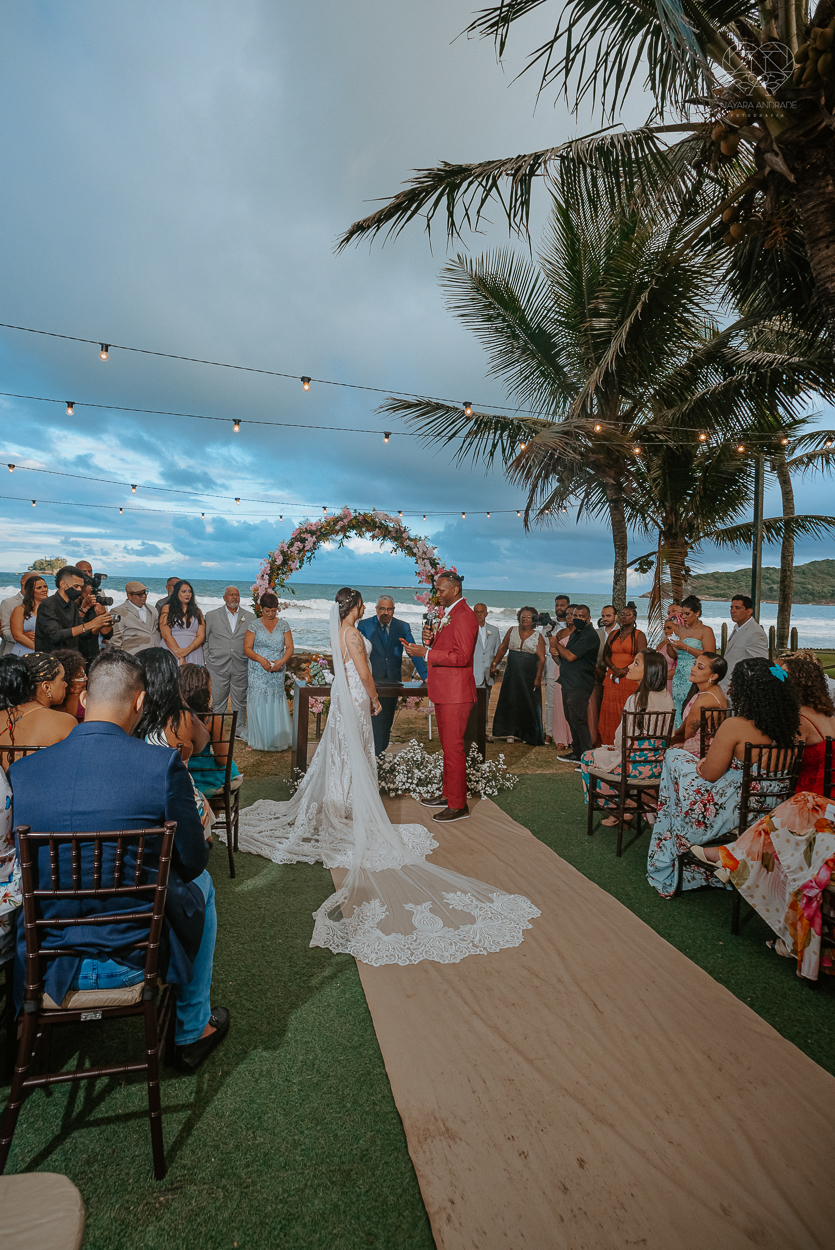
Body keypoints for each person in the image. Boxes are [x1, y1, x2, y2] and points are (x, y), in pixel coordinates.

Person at [237, 587, 539, 963]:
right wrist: (375, 697)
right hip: (358, 697)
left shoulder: (341, 632)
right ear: (357, 607)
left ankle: (340, 800)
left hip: (343, 698)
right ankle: (348, 805)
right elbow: (363, 671)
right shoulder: (354, 632)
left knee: (343, 754)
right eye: (366, 603)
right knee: (356, 754)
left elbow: (342, 666)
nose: (370, 608)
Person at [9, 648, 228, 1072]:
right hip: (134, 961)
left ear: (85, 698)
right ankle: (190, 1030)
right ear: (140, 702)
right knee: (202, 886)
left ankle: (26, 1028)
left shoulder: (25, 773)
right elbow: (195, 861)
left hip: (48, 965)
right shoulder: (160, 767)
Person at [646, 658, 800, 897]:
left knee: (673, 756)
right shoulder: (792, 729)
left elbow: (709, 774)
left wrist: (700, 763)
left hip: (731, 808)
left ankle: (669, 849)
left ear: (747, 692)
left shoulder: (735, 726)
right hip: (772, 809)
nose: (730, 689)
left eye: (735, 685)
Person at [406, 572, 480, 819]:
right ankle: (448, 794)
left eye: (440, 590)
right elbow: (448, 648)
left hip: (456, 693)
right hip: (445, 691)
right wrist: (430, 643)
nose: (437, 594)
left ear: (455, 590)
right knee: (449, 748)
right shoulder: (449, 614)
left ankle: (459, 805)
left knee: (454, 748)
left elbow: (461, 657)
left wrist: (425, 654)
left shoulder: (464, 616)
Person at [579, 649, 674, 824]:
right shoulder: (666, 696)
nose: (629, 666)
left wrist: (614, 748)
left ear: (649, 670)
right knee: (604, 754)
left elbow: (622, 740)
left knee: (587, 757)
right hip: (657, 766)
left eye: (636, 663)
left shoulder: (636, 699)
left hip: (632, 767)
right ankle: (631, 805)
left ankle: (619, 808)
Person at [357, 594, 427, 754]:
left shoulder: (403, 627)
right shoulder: (364, 625)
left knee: (387, 721)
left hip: (393, 682)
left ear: (394, 610)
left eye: (389, 609)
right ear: (376, 609)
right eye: (382, 608)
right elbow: (359, 653)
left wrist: (425, 675)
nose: (385, 612)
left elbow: (413, 652)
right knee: (373, 720)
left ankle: (380, 753)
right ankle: (372, 755)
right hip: (371, 681)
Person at [0, 653, 77, 765]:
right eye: (62, 679)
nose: (65, 684)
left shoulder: (4, 714)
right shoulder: (64, 722)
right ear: (46, 687)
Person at [179, 664, 241, 795]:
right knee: (228, 772)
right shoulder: (212, 720)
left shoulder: (171, 718)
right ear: (204, 690)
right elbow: (222, 759)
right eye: (210, 685)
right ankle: (212, 814)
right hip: (206, 775)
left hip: (179, 772)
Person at [243, 592, 293, 751]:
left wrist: (281, 662)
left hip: (277, 670)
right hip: (258, 670)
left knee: (275, 700)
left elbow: (290, 647)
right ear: (261, 609)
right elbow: (247, 648)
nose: (271, 614)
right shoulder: (254, 625)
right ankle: (258, 738)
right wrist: (260, 660)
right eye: (267, 611)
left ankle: (276, 737)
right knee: (258, 701)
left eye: (274, 610)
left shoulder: (284, 625)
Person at [490, 607, 546, 745]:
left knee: (528, 703)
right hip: (512, 673)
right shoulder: (512, 630)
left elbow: (541, 659)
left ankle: (527, 734)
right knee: (510, 700)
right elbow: (503, 647)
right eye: (522, 616)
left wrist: (538, 678)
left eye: (528, 617)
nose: (524, 619)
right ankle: (509, 732)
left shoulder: (537, 636)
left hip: (529, 675)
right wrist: (495, 663)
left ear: (533, 619)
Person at [203, 586, 254, 739]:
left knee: (240, 700)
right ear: (224, 597)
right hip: (217, 665)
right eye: (231, 595)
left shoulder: (250, 617)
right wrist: (208, 659)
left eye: (237, 595)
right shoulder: (211, 616)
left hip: (241, 664)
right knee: (218, 700)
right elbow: (205, 639)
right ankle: (216, 728)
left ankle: (238, 729)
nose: (234, 597)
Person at [553, 605, 600, 762]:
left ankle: (587, 758)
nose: (577, 618)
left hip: (580, 683)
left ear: (588, 618)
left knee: (579, 720)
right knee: (571, 718)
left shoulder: (589, 635)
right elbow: (563, 658)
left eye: (581, 616)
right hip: (568, 681)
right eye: (575, 615)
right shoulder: (576, 633)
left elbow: (571, 656)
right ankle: (577, 752)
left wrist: (556, 644)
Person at [33, 565, 113, 655]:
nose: (79, 590)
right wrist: (91, 624)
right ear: (63, 584)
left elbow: (82, 633)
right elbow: (55, 635)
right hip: (51, 660)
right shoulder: (48, 604)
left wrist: (100, 622)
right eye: (76, 586)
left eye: (80, 587)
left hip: (71, 659)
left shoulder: (73, 605)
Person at [598, 604, 648, 745]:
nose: (624, 617)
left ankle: (626, 743)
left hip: (629, 678)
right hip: (612, 677)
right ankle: (608, 743)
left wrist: (624, 670)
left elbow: (642, 657)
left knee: (626, 710)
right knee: (609, 710)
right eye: (622, 614)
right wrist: (615, 669)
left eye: (628, 614)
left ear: (634, 617)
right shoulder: (614, 634)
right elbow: (606, 654)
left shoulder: (639, 635)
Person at [664, 595, 716, 728]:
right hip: (679, 675)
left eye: (687, 614)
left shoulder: (706, 631)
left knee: (691, 706)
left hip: (695, 675)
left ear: (697, 613)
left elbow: (710, 655)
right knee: (678, 705)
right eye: (682, 614)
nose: (684, 617)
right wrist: (670, 645)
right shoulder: (681, 630)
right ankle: (677, 736)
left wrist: (686, 647)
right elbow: (674, 656)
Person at [670, 653, 728, 754]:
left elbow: (685, 735)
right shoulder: (716, 690)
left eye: (700, 668)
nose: (693, 669)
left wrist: (660, 743)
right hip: (705, 748)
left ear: (713, 676)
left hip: (699, 752)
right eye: (694, 664)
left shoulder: (704, 700)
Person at [720, 593, 769, 691]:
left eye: (737, 608)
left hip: (739, 687)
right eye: (731, 607)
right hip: (727, 685)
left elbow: (759, 665)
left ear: (749, 611)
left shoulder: (755, 633)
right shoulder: (738, 628)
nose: (732, 611)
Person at [540, 596, 569, 746]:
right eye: (557, 605)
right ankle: (549, 733)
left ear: (568, 606)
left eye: (562, 605)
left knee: (567, 703)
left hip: (569, 669)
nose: (559, 607)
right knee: (551, 703)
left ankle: (566, 734)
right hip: (552, 668)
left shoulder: (572, 625)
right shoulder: (548, 625)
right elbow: (544, 645)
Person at [589, 604, 618, 747]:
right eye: (603, 616)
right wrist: (595, 669)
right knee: (597, 709)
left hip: (617, 677)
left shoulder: (622, 632)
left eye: (608, 615)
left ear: (615, 617)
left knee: (613, 710)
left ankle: (614, 739)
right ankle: (598, 739)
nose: (605, 618)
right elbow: (589, 654)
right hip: (597, 676)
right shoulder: (596, 633)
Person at [159, 579, 205, 666]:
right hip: (172, 650)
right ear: (176, 593)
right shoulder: (167, 608)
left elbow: (201, 635)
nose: (187, 594)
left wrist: (187, 650)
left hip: (193, 651)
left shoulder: (198, 611)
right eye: (184, 591)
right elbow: (166, 635)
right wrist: (180, 655)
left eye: (189, 591)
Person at [75, 560, 114, 663]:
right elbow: (73, 630)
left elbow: (108, 634)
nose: (87, 574)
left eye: (89, 571)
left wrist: (103, 615)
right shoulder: (70, 601)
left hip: (93, 653)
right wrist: (84, 608)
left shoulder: (98, 595)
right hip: (75, 654)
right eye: (84, 571)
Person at [110, 581, 160, 653]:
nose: (143, 596)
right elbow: (115, 639)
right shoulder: (118, 612)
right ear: (129, 596)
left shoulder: (153, 610)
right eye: (139, 594)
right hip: (132, 655)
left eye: (145, 592)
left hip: (154, 655)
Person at [9, 575, 49, 655]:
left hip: (46, 652)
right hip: (24, 652)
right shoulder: (19, 610)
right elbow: (17, 636)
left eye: (45, 586)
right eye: (39, 588)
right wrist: (38, 648)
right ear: (30, 591)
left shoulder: (51, 610)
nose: (44, 590)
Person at [50, 648, 87, 720]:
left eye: (84, 674)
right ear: (68, 682)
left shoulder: (51, 700)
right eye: (81, 676)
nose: (86, 679)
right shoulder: (85, 703)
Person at [471, 602, 501, 692]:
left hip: (488, 675)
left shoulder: (494, 630)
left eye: (482, 611)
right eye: (476, 612)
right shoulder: (469, 629)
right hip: (473, 674)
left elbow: (498, 651)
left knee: (486, 703)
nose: (479, 614)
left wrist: (496, 668)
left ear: (486, 614)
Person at [0, 573, 31, 658]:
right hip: (11, 654)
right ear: (23, 581)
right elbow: (4, 632)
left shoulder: (43, 603)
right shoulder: (8, 603)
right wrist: (23, 638)